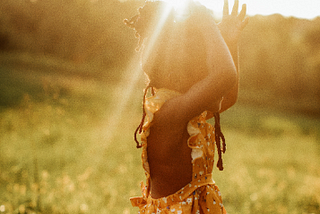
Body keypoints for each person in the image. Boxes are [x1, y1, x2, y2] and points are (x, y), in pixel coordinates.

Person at [124, 0, 248, 213]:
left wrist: (229, 41)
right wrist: (206, 21)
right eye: (206, 74)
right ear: (182, 75)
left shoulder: (185, 113)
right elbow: (224, 76)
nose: (214, 85)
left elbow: (228, 97)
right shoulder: (168, 112)